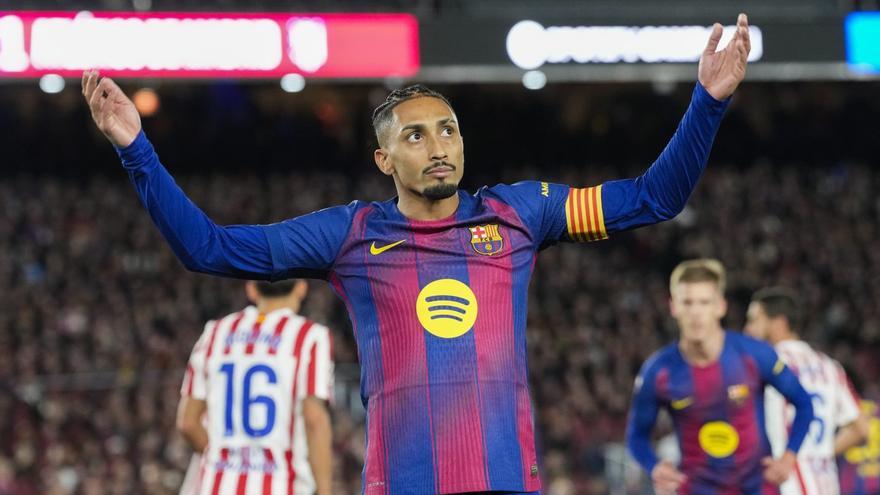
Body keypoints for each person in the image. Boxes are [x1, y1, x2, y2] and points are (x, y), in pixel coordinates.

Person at [84, 14, 751, 495]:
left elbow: (653, 199)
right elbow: (209, 248)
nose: (438, 146)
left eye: (448, 130)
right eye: (415, 135)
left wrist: (708, 104)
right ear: (384, 158)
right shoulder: (350, 234)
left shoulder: (519, 212)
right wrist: (135, 148)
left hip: (506, 480)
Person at [626, 259, 815, 494]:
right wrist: (654, 467)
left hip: (757, 488)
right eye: (687, 302)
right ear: (674, 307)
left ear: (720, 306)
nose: (695, 312)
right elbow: (636, 436)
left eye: (704, 302)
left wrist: (788, 457)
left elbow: (805, 404)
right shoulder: (659, 371)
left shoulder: (754, 354)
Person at [176, 280, 333, 494]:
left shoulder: (215, 332)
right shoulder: (310, 337)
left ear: (251, 288)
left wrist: (227, 460)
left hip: (217, 484)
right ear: (301, 287)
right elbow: (315, 420)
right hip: (281, 484)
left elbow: (188, 423)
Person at [745, 287, 870, 495]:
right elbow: (861, 429)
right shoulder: (830, 367)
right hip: (826, 485)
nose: (747, 329)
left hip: (784, 484)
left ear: (779, 323)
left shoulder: (766, 364)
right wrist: (819, 454)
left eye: (754, 320)